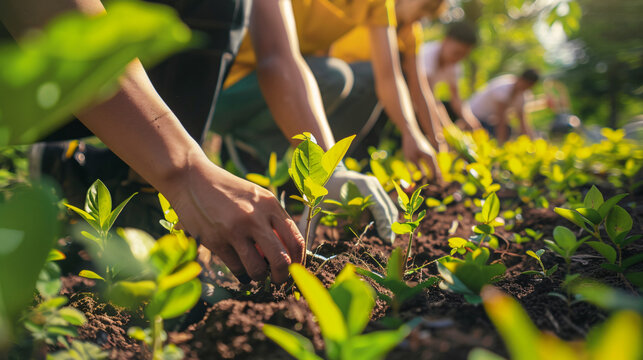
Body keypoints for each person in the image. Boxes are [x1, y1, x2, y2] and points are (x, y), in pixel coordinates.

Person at [215, 0, 442, 180]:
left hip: (285, 81)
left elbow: (388, 76)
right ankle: (253, 149)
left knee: (365, 77)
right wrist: (329, 171)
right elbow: (277, 59)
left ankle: (303, 179)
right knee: (332, 76)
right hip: (227, 86)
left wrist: (411, 132)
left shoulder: (378, 4)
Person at [329, 0, 449, 151]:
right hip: (337, 76)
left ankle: (340, 154)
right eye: (424, 7)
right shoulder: (376, 7)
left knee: (392, 87)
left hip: (367, 95)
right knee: (371, 74)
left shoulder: (410, 31)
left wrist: (435, 139)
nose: (422, 16)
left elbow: (418, 88)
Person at [419, 21, 482, 132]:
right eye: (457, 53)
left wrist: (471, 121)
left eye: (463, 55)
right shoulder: (427, 55)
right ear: (445, 41)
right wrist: (447, 127)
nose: (458, 58)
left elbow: (456, 98)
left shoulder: (455, 66)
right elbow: (425, 93)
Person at [468, 69, 540, 143]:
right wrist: (501, 142)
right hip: (473, 116)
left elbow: (523, 122)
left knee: (508, 130)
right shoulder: (503, 87)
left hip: (488, 121)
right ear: (521, 79)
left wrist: (532, 141)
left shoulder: (522, 96)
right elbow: (501, 118)